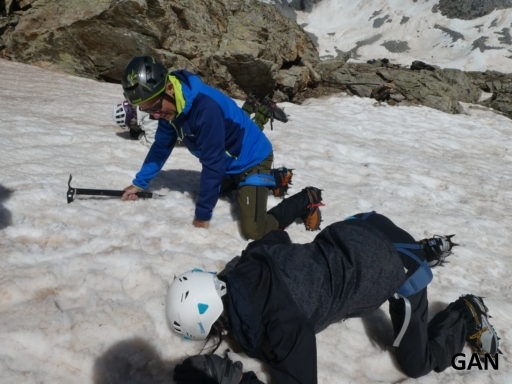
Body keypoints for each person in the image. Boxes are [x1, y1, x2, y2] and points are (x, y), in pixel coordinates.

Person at [166, 211, 501, 384]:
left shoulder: (283, 324)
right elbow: (276, 237)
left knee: (417, 363)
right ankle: (421, 246)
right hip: (360, 227)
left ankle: (465, 313)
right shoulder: (247, 266)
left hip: (399, 268)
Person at [120, 55, 310, 239]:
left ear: (169, 88)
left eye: (154, 107)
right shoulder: (171, 109)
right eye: (147, 110)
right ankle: (275, 178)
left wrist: (202, 217)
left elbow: (213, 163)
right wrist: (139, 183)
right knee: (212, 189)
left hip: (252, 160)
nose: (154, 116)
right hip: (228, 163)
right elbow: (161, 147)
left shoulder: (205, 109)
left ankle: (306, 199)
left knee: (254, 230)